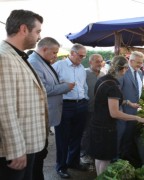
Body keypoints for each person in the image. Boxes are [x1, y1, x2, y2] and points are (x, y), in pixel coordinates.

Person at [0, 9, 47, 180]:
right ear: (24, 29)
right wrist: (16, 150)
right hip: (16, 150)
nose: (39, 36)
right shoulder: (4, 57)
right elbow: (4, 108)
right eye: (38, 31)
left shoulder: (17, 56)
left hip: (27, 144)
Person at [88, 55, 144, 176]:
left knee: (99, 157)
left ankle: (99, 176)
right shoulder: (113, 86)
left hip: (97, 123)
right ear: (123, 69)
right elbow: (115, 113)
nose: (126, 72)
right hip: (105, 127)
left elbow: (107, 100)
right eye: (126, 69)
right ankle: (103, 177)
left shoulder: (103, 79)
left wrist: (127, 102)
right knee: (105, 159)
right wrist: (137, 118)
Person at [28, 37, 75, 180]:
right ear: (44, 49)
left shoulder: (42, 61)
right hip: (41, 114)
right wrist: (65, 87)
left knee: (41, 154)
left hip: (47, 114)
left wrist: (60, 83)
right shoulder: (35, 62)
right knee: (38, 155)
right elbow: (44, 89)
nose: (55, 56)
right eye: (54, 53)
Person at [52, 43, 89, 178]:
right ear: (72, 53)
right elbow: (51, 86)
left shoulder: (81, 69)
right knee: (63, 138)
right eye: (80, 55)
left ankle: (73, 162)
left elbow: (83, 86)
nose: (82, 58)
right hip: (65, 106)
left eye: (84, 56)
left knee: (77, 137)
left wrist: (86, 99)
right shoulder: (58, 66)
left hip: (81, 105)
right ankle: (61, 166)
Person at [117, 51, 144, 166]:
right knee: (122, 134)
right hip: (123, 109)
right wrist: (121, 109)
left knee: (129, 134)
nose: (140, 65)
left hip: (134, 109)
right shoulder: (124, 72)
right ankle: (119, 157)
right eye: (138, 62)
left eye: (141, 62)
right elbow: (117, 93)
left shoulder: (140, 73)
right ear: (131, 61)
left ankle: (126, 155)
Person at [81, 54, 105, 165]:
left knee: (96, 132)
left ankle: (93, 153)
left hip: (100, 110)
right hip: (87, 108)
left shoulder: (103, 75)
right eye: (97, 61)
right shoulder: (84, 74)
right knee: (87, 132)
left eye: (101, 61)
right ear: (90, 62)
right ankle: (85, 154)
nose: (99, 64)